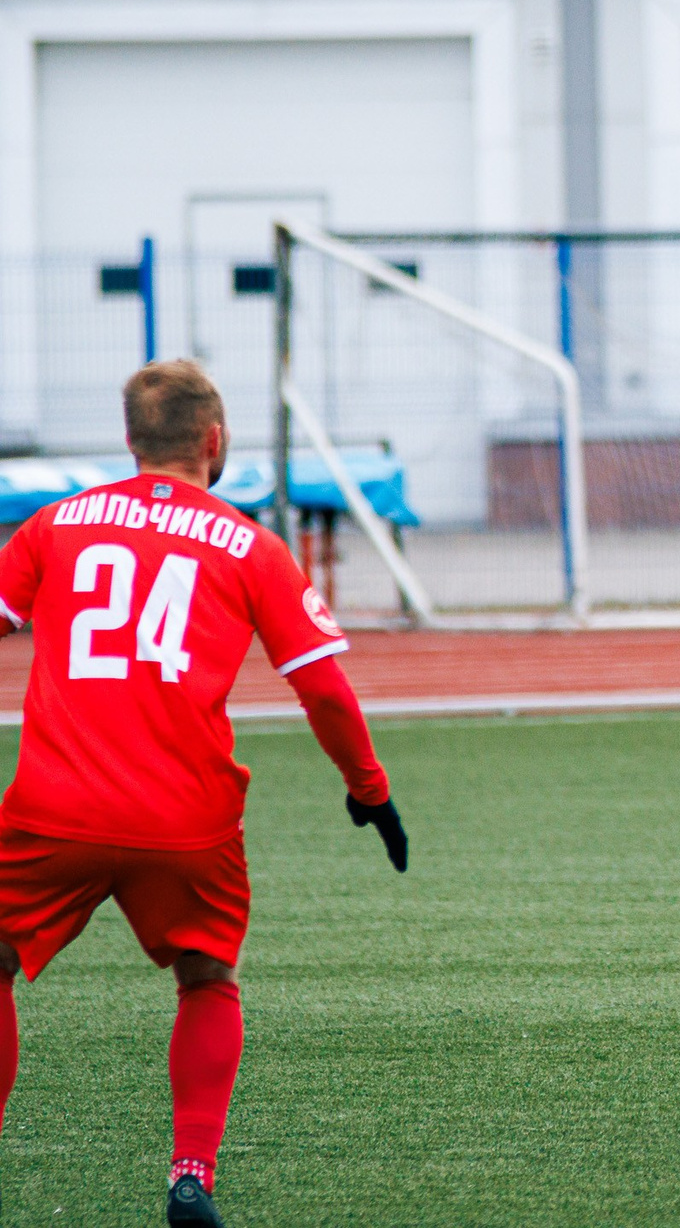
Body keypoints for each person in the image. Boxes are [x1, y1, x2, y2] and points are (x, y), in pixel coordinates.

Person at [0, 361, 406, 1228]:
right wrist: (367, 788)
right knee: (207, 977)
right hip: (185, 820)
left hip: (54, 806)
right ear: (214, 441)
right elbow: (325, 689)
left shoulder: (54, 527)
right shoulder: (250, 546)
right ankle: (191, 1176)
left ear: (130, 441)